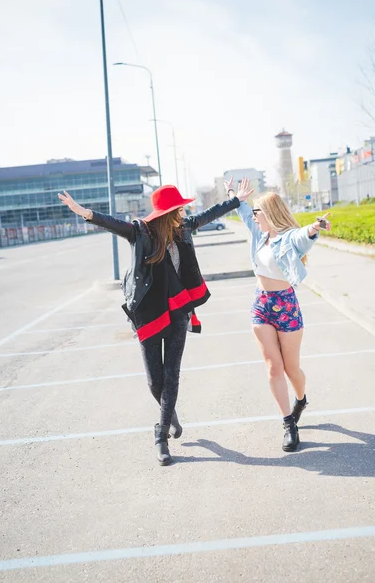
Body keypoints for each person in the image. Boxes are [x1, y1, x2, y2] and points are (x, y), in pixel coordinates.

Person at [58, 185, 242, 465]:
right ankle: (170, 415)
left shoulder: (183, 228)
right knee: (155, 380)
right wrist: (86, 213)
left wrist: (235, 200)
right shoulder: (140, 232)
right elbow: (113, 224)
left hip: (179, 310)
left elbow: (208, 214)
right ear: (167, 213)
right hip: (148, 313)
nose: (184, 212)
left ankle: (161, 435)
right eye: (179, 208)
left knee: (172, 375)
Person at [224, 177, 331, 452]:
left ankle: (301, 399)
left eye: (258, 213)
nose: (254, 218)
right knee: (273, 367)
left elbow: (301, 236)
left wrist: (314, 228)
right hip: (261, 304)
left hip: (286, 306)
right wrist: (234, 194)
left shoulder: (287, 239)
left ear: (269, 214)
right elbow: (243, 212)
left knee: (291, 369)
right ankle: (288, 423)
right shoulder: (259, 235)